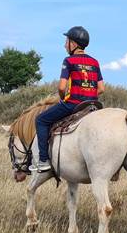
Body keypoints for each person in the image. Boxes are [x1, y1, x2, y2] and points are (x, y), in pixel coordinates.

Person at [30, 26, 105, 173]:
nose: (65, 45)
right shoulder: (95, 62)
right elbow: (101, 88)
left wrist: (64, 99)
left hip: (74, 104)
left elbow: (61, 87)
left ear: (74, 44)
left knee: (41, 120)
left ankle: (43, 160)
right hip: (92, 105)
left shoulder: (69, 61)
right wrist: (89, 94)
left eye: (67, 41)